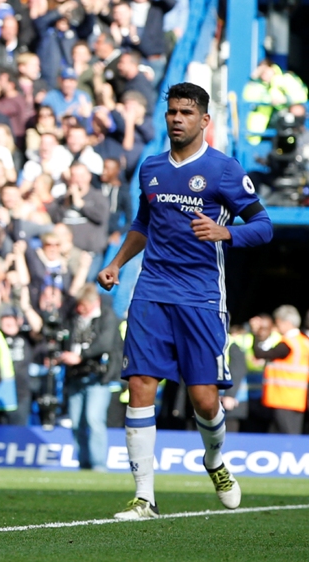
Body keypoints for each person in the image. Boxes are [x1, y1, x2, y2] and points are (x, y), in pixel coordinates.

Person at [98, 82, 273, 520]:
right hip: (152, 290)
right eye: (172, 112)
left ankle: (214, 461)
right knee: (140, 385)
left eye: (186, 113)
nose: (177, 119)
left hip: (201, 297)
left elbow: (264, 225)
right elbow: (143, 220)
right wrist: (117, 262)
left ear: (204, 120)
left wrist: (226, 232)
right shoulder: (151, 167)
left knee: (204, 400)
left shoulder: (225, 170)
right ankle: (144, 498)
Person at [62, 285, 120, 471]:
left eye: (83, 306)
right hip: (75, 376)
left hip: (98, 376)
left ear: (94, 302)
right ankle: (83, 464)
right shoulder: (73, 317)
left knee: (94, 419)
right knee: (76, 422)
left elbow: (105, 343)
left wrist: (80, 356)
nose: (80, 310)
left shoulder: (107, 316)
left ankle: (98, 465)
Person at [256, 305, 308, 435]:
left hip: (283, 397)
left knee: (285, 436)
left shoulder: (288, 343)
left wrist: (256, 334)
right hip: (296, 399)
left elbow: (261, 354)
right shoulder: (304, 341)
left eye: (278, 322)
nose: (276, 326)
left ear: (287, 323)